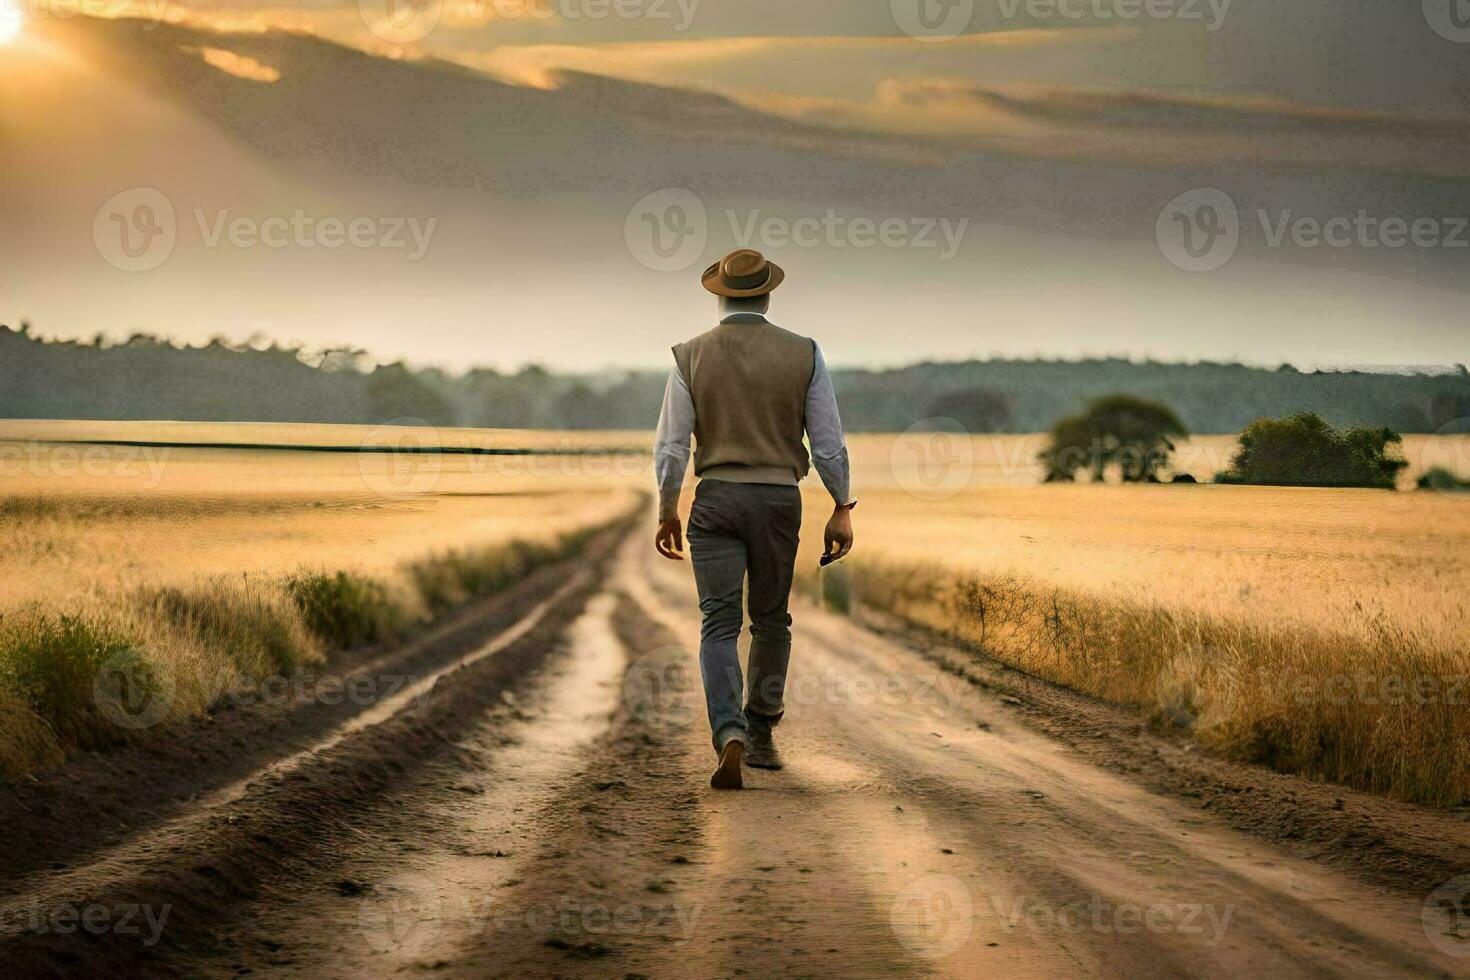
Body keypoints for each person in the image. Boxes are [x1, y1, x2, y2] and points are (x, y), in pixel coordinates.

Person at [652, 248, 856, 790]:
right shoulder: (804, 353)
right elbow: (829, 443)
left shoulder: (688, 355)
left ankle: (728, 732)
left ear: (719, 295)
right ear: (768, 294)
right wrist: (841, 505)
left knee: (717, 624)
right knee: (771, 620)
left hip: (715, 500)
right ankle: (763, 733)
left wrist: (668, 507)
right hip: (776, 502)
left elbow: (671, 447)